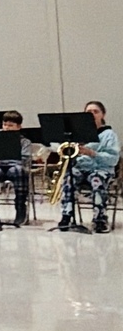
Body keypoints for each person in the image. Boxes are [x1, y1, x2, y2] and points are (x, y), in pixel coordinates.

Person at [58, 100, 120, 234]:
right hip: (81, 168)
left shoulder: (109, 135)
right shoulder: (78, 134)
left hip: (101, 169)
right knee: (69, 178)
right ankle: (66, 215)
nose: (92, 114)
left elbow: (113, 159)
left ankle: (100, 219)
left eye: (95, 112)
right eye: (88, 112)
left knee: (97, 179)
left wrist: (92, 153)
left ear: (103, 115)